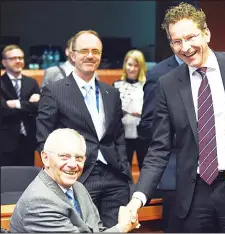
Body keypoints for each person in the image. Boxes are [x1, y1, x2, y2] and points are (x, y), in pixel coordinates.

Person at [126, 2, 225, 232]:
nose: (185, 47)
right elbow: (159, 148)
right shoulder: (168, 84)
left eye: (191, 37)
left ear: (206, 33)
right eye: (177, 41)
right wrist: (137, 199)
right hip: (193, 194)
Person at [36, 30, 131, 228]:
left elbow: (118, 135)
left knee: (118, 230)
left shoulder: (111, 92)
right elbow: (43, 138)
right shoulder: (55, 91)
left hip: (114, 177)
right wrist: (60, 176)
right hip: (78, 176)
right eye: (84, 51)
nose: (90, 55)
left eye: (95, 51)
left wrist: (123, 168)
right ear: (73, 55)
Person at [10, 128, 139, 232]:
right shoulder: (38, 202)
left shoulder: (78, 187)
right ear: (45, 158)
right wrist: (121, 228)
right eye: (64, 156)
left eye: (78, 158)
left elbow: (97, 230)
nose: (73, 164)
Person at [137, 54, 183, 232]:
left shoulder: (212, 70)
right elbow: (148, 125)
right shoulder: (159, 74)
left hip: (214, 174)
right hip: (175, 173)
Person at [0, 44, 40, 166]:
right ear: (4, 62)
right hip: (6, 142)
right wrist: (28, 105)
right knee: (7, 181)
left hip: (28, 141)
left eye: (20, 58)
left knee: (27, 180)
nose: (18, 61)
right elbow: (3, 111)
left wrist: (16, 104)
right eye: (13, 58)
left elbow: (38, 107)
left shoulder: (31, 82)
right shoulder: (1, 83)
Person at [113, 50, 148, 170]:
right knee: (124, 167)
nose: (132, 69)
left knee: (144, 167)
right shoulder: (116, 85)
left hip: (142, 133)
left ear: (141, 67)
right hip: (122, 133)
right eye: (129, 64)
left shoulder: (147, 85)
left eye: (136, 65)